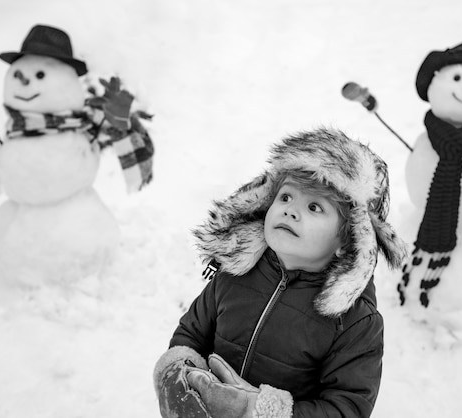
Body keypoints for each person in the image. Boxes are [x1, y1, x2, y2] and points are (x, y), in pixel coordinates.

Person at [153, 126, 406, 418]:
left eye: (314, 206)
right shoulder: (237, 269)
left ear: (346, 240)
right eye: (285, 197)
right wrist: (181, 375)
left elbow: (347, 407)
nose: (290, 211)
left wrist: (259, 410)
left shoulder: (354, 321)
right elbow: (191, 332)